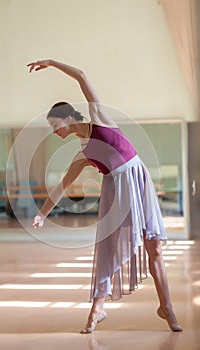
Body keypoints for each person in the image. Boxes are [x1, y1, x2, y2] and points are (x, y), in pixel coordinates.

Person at [27, 59, 183, 333]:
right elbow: (61, 187)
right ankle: (97, 310)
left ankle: (166, 307)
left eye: (55, 125)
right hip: (116, 191)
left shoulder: (99, 119)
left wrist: (51, 62)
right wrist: (41, 214)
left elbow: (82, 75)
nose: (55, 131)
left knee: (154, 247)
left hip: (137, 179)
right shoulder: (82, 155)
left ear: (68, 118)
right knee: (111, 251)